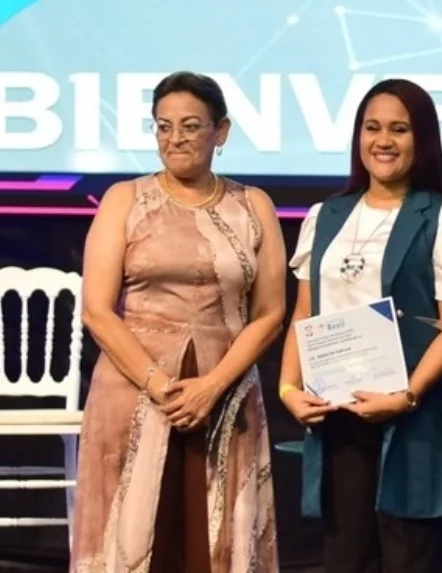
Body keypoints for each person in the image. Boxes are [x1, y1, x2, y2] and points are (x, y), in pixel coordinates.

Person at [70, 71, 284, 572]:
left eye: (190, 126)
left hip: (225, 394)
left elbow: (270, 313)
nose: (175, 138)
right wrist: (161, 385)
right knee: (136, 534)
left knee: (214, 541)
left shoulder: (253, 206)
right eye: (163, 126)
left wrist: (212, 387)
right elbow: (98, 310)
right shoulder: (125, 199)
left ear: (221, 131)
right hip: (133, 391)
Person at [278, 78, 442, 573]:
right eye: (372, 128)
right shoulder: (325, 216)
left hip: (412, 421)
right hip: (339, 419)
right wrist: (288, 387)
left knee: (410, 559)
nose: (383, 140)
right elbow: (303, 313)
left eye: (399, 128)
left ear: (424, 140)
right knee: (346, 559)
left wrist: (408, 393)